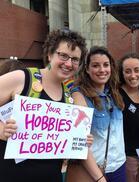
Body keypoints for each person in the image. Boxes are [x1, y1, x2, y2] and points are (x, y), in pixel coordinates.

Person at [0, 29, 89, 182]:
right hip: (11, 175)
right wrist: (1, 129)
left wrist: (80, 140)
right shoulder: (23, 78)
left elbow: (64, 146)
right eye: (63, 56)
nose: (69, 63)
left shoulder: (68, 97)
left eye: (75, 59)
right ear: (50, 55)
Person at [69, 46, 126, 181]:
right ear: (87, 69)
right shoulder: (78, 95)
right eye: (95, 65)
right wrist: (100, 178)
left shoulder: (114, 93)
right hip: (94, 170)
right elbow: (79, 143)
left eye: (106, 65)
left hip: (118, 166)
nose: (102, 70)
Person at [118, 53, 139, 182]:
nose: (133, 75)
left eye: (137, 70)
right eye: (127, 71)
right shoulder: (116, 95)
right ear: (122, 74)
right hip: (127, 157)